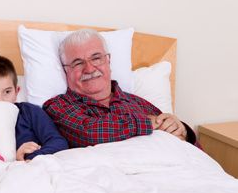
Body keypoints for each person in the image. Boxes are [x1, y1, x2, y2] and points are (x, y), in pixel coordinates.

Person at [42, 29, 197, 148]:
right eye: (77, 63)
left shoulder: (138, 103)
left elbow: (192, 152)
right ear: (66, 70)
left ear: (108, 61)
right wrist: (146, 123)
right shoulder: (57, 107)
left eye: (96, 58)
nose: (89, 69)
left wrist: (181, 129)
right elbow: (90, 133)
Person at [0, 55, 69, 160]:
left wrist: (29, 157)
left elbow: (58, 142)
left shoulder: (29, 112)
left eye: (7, 92)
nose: (0, 100)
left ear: (16, 91)